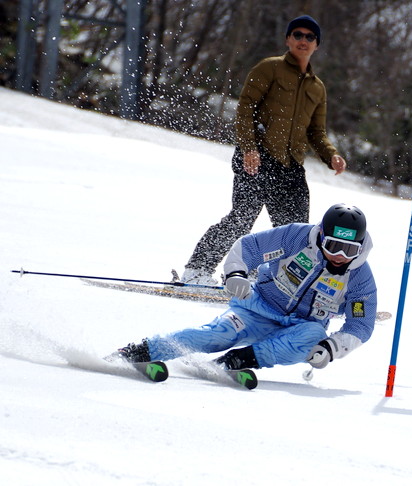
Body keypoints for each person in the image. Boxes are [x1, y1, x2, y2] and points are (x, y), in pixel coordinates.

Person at [182, 15, 347, 285]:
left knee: (296, 232)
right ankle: (197, 270)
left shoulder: (317, 88)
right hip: (257, 158)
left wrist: (331, 156)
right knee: (242, 218)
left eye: (309, 37)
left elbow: (315, 132)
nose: (303, 40)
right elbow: (245, 109)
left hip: (290, 165)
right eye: (297, 35)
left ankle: (270, 281)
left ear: (317, 44)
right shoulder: (269, 68)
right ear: (287, 39)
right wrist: (249, 148)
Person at [117, 204, 377, 375]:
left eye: (350, 250)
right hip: (257, 308)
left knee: (313, 336)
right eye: (333, 246)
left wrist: (333, 347)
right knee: (218, 335)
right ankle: (141, 351)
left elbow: (360, 325)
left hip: (299, 327)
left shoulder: (360, 279)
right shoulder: (296, 237)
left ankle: (236, 362)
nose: (341, 256)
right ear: (321, 236)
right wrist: (236, 273)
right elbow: (250, 247)